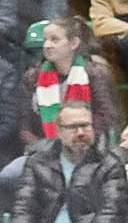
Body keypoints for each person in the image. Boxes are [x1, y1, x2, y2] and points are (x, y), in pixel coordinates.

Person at [13, 17, 121, 153]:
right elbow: (24, 125)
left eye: (54, 40)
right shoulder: (32, 77)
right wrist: (44, 147)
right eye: (45, 40)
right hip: (42, 149)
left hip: (86, 148)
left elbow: (106, 116)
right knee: (14, 168)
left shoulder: (94, 75)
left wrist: (73, 137)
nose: (47, 45)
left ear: (74, 43)